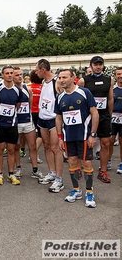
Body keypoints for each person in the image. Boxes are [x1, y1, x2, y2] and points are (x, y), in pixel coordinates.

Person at [55, 69, 99, 208]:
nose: (62, 80)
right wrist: (60, 137)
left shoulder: (84, 92)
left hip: (84, 135)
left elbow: (95, 113)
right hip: (68, 137)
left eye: (65, 77)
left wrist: (93, 134)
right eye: (60, 77)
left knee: (86, 163)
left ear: (73, 77)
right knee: (72, 162)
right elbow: (58, 117)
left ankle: (89, 192)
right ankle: (76, 190)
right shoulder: (60, 97)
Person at [78, 56, 113, 183]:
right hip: (88, 117)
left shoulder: (109, 79)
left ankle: (103, 170)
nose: (98, 66)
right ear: (91, 66)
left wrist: (109, 115)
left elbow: (110, 99)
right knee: (86, 144)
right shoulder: (83, 81)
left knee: (106, 143)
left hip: (103, 117)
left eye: (100, 64)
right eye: (95, 64)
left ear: (103, 66)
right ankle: (82, 167)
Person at [35, 59, 64, 193]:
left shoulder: (56, 81)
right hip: (43, 118)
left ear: (43, 70)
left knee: (55, 148)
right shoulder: (43, 81)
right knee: (46, 146)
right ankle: (52, 172)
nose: (36, 72)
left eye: (37, 70)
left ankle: (59, 179)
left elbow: (63, 99)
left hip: (53, 119)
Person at [0, 65, 22, 185]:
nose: (9, 75)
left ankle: (11, 173)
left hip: (12, 124)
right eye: (7, 73)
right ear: (2, 75)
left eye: (11, 73)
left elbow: (17, 106)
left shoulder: (18, 91)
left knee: (11, 149)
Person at [12, 67, 41, 179]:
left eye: (20, 74)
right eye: (17, 75)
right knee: (16, 147)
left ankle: (35, 169)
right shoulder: (11, 90)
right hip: (17, 122)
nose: (20, 77)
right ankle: (18, 169)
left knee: (32, 146)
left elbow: (30, 106)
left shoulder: (27, 89)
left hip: (28, 121)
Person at [110, 67, 122, 174]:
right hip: (113, 119)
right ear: (115, 76)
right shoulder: (112, 89)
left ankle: (121, 163)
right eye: (118, 74)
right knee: (110, 141)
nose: (120, 76)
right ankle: (108, 161)